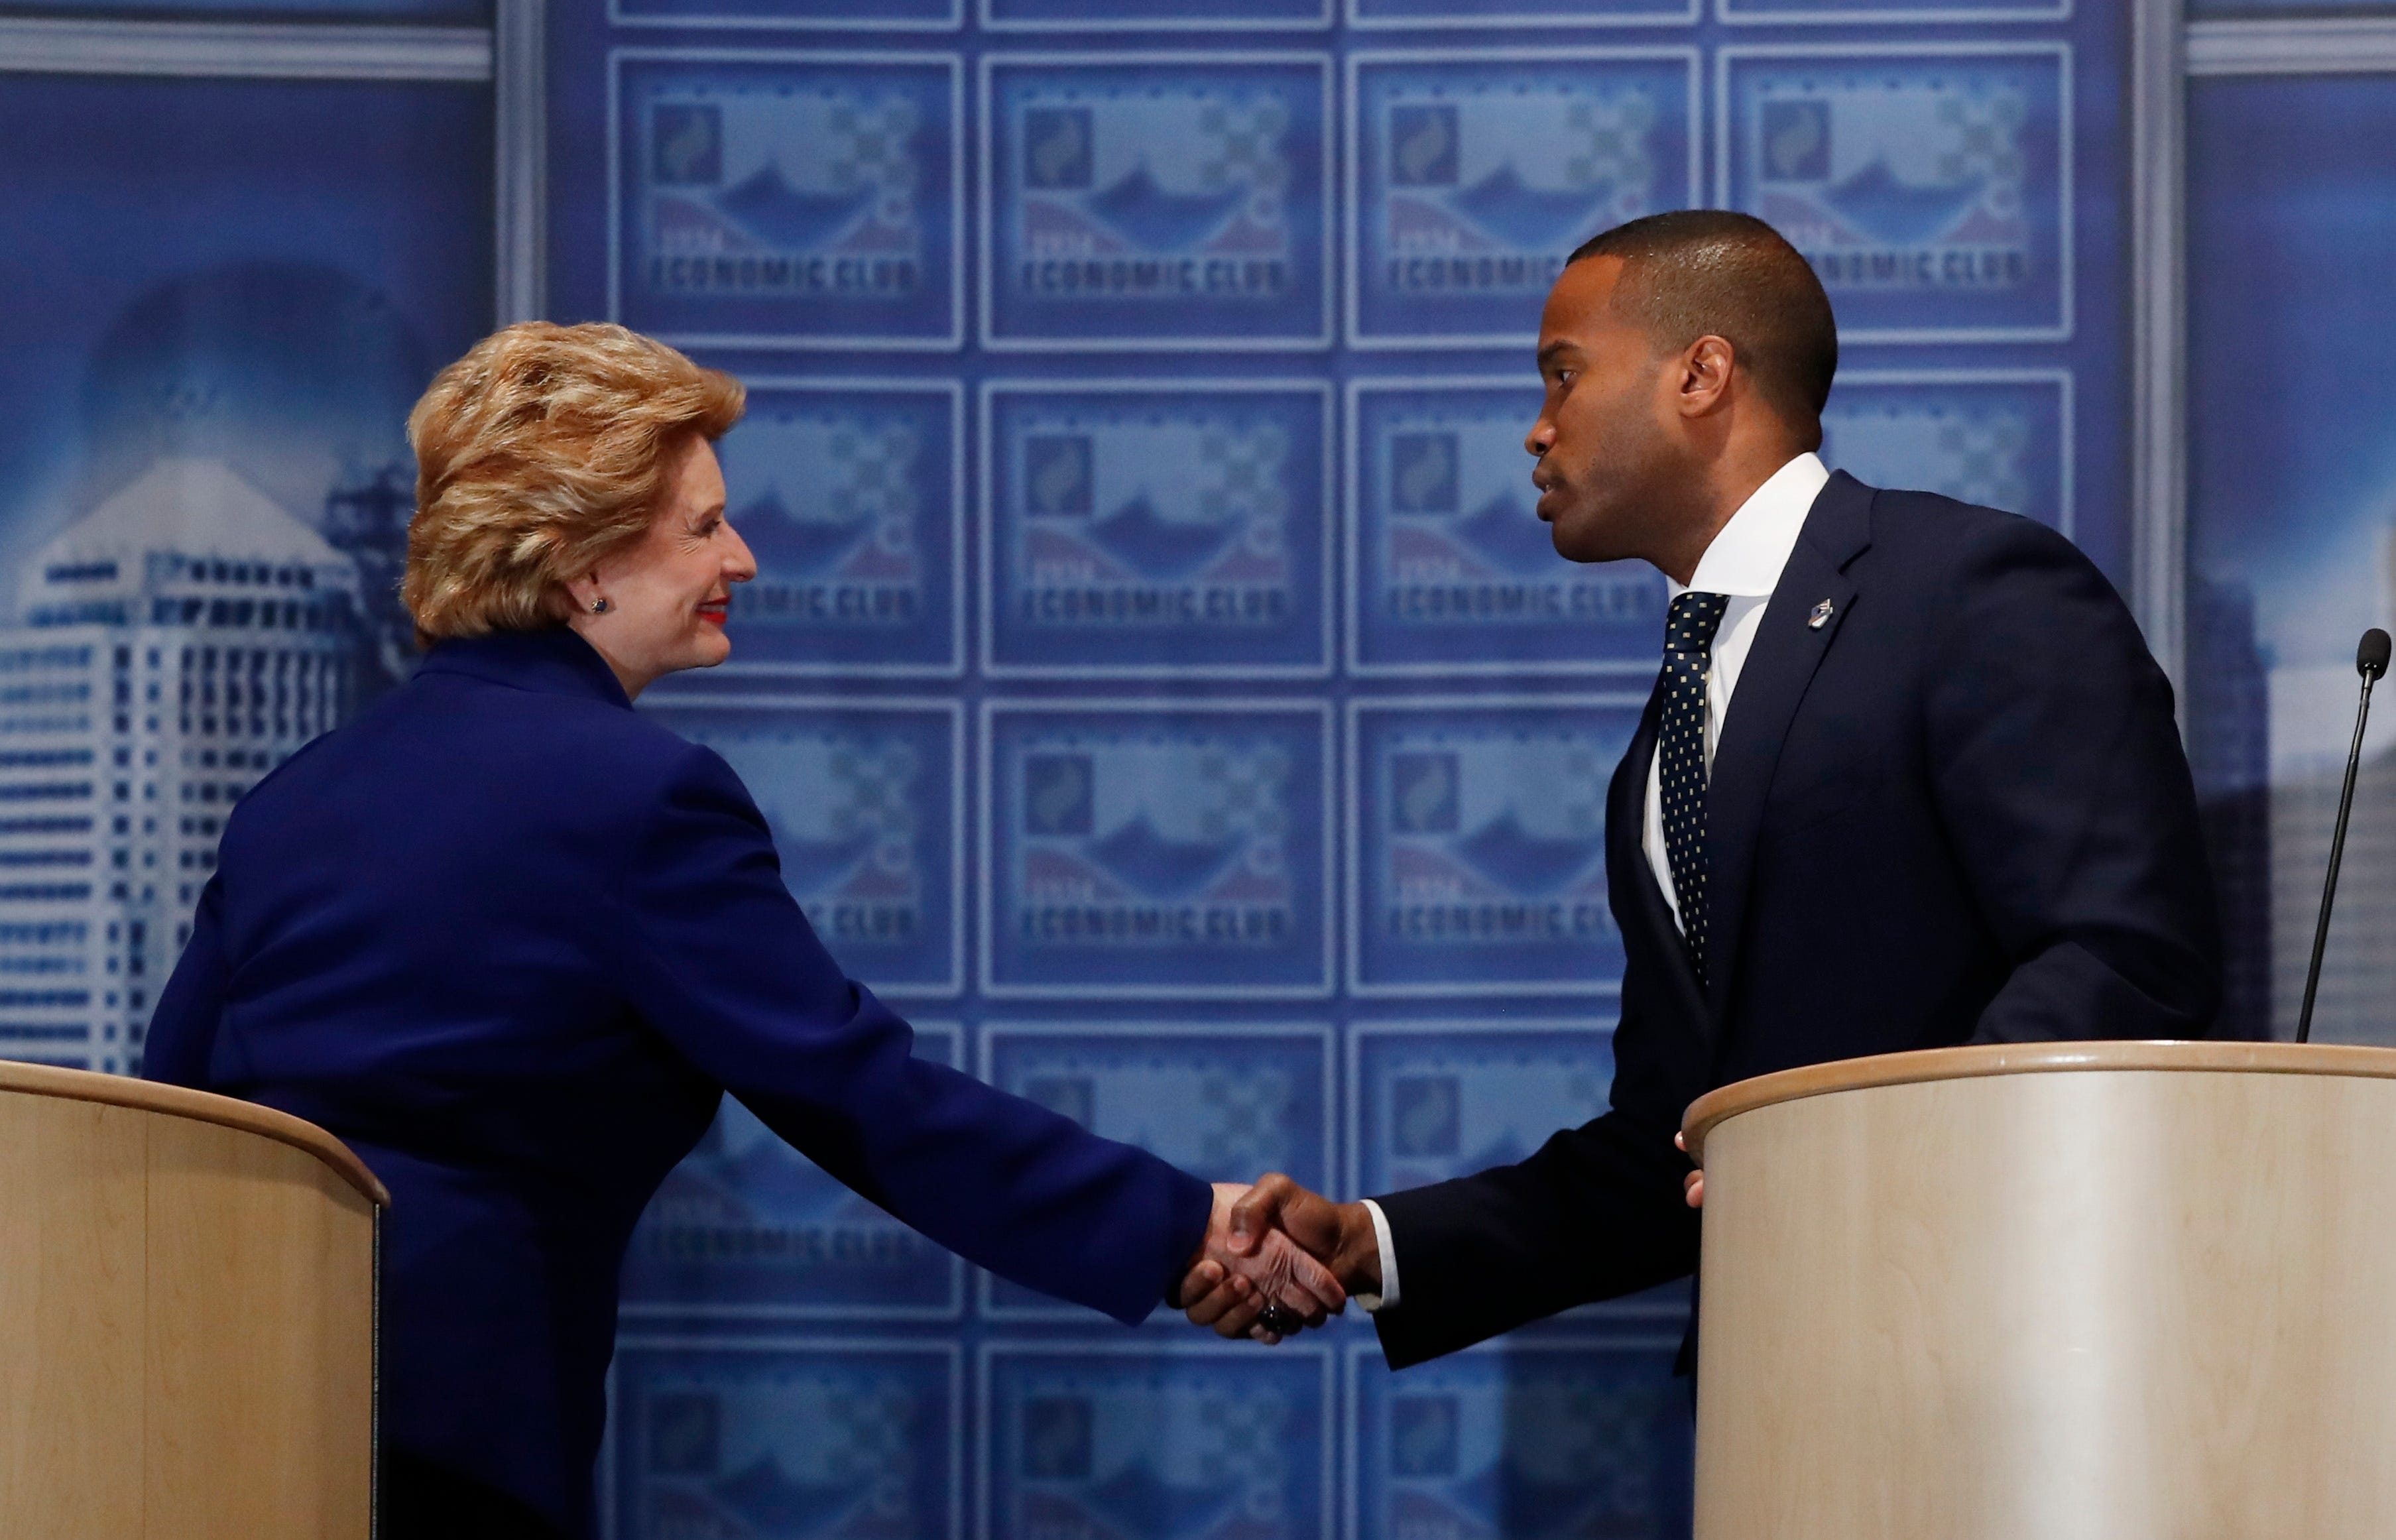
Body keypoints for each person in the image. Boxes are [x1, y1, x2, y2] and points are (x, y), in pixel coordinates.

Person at [141, 322, 1342, 1540]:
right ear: (579, 563)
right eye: (705, 525)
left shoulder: (295, 795)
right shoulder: (637, 798)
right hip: (465, 1444)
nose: (746, 559)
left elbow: (171, 1108)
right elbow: (860, 1096)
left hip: (226, 1418)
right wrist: (1184, 1226)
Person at [1176, 209, 2222, 1366]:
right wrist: (1373, 1243)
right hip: (1774, 1389)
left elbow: (2123, 957)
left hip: (2003, 1354)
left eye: (1563, 375)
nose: (1536, 430)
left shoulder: (1970, 590)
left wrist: (1866, 1163)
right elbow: (1676, 1147)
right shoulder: (1674, 719)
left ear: (1701, 373)